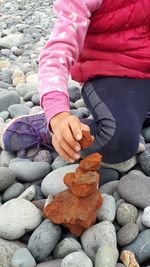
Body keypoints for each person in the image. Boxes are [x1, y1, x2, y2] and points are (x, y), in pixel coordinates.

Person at [1, 0, 150, 164]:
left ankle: (136, 119)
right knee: (118, 140)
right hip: (110, 73)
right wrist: (58, 117)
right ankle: (51, 129)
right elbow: (56, 56)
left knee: (130, 122)